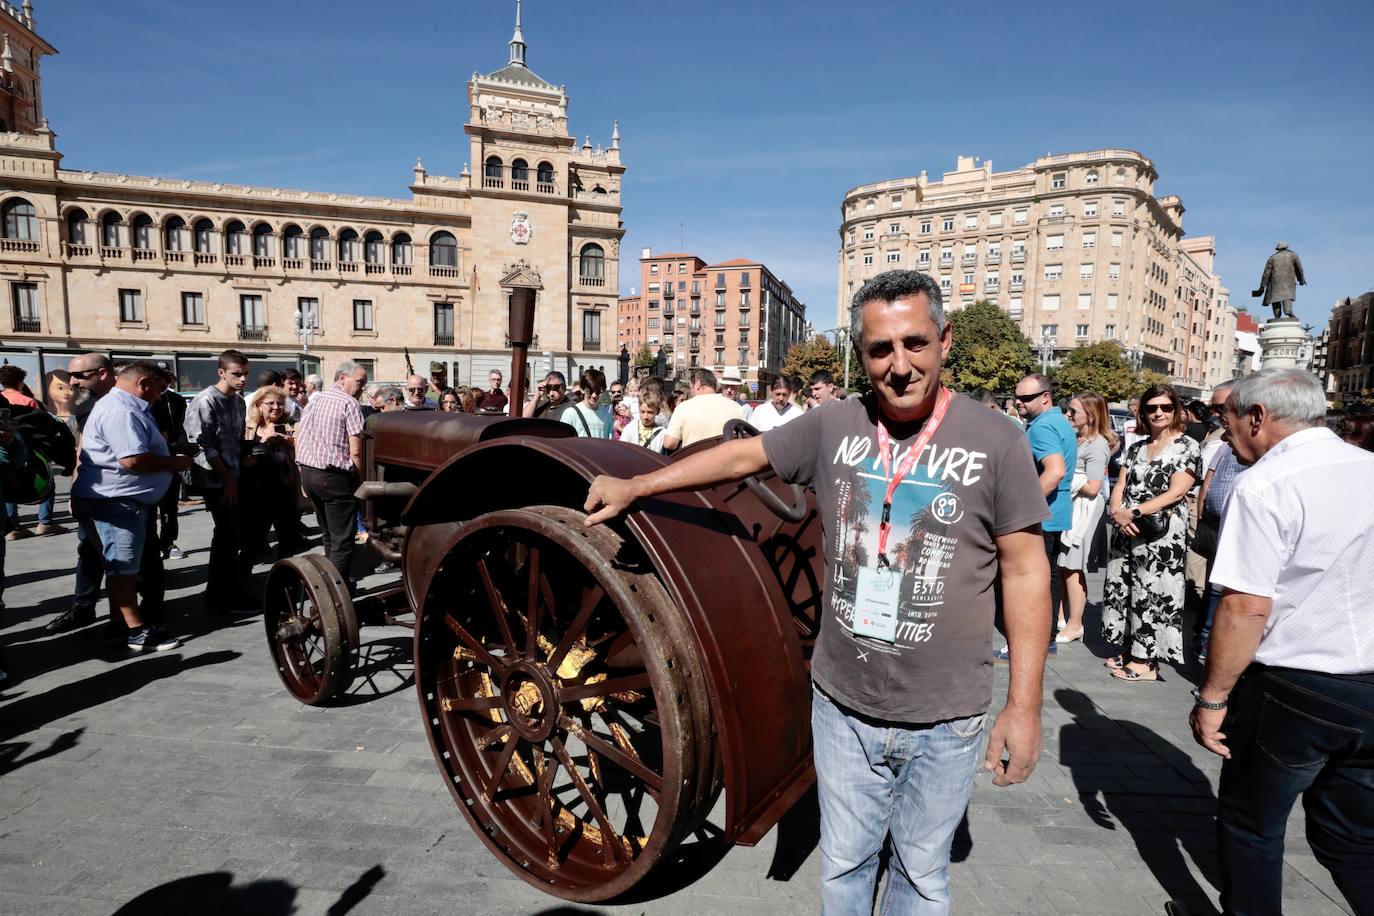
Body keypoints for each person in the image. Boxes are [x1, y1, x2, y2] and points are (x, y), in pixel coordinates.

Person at [584, 270, 1051, 912]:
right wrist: (638, 485)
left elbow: (1027, 573)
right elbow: (741, 459)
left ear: (943, 340)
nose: (901, 365)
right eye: (880, 349)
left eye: (915, 343)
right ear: (860, 355)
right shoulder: (833, 424)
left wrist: (1024, 708)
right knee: (843, 868)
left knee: (922, 877)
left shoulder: (997, 440)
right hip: (843, 709)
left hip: (948, 715)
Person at [1189, 368, 1373, 916]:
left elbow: (1245, 605)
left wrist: (1213, 697)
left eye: (1227, 423)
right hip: (1367, 688)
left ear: (1257, 416)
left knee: (1252, 827)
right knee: (1354, 838)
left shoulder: (1268, 482)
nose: (1225, 436)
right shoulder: (1369, 469)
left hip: (1296, 688)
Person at [70, 361, 188, 651]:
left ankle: (127, 624)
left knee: (124, 568)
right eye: (159, 390)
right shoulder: (121, 411)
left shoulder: (123, 406)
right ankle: (137, 631)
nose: (160, 397)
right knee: (122, 569)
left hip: (119, 502)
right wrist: (175, 462)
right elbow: (131, 460)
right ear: (144, 383)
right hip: (115, 503)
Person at [1103, 384, 1200, 680]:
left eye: (1166, 407)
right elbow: (1120, 484)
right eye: (1151, 408)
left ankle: (1147, 662)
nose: (1158, 413)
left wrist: (1133, 512)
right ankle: (1133, 646)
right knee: (1126, 586)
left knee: (1152, 591)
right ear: (1143, 411)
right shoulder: (1136, 447)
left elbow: (1177, 492)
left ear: (1176, 411)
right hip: (1127, 528)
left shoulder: (1187, 446)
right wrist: (1117, 513)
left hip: (1161, 534)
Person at [1002, 372, 1076, 655]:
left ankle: (1033, 641)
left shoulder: (1043, 426)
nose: (1019, 402)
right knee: (1048, 578)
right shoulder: (1058, 420)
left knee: (1032, 581)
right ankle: (1045, 638)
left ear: (1045, 397)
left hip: (1042, 515)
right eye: (1017, 396)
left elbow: (1055, 471)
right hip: (1054, 513)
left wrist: (1023, 506)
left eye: (1027, 398)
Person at [184, 350, 251, 614]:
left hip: (234, 475)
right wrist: (227, 480)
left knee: (233, 536)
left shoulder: (238, 401)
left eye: (246, 374)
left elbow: (235, 440)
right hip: (215, 479)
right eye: (237, 374)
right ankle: (220, 597)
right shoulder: (205, 401)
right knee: (227, 535)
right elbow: (204, 446)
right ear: (221, 372)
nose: (243, 379)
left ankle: (228, 592)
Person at [294, 361, 368, 587]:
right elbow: (356, 450)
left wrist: (302, 477)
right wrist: (362, 479)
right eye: (360, 382)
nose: (362, 388)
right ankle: (335, 591)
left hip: (310, 474)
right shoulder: (349, 403)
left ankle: (332, 581)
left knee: (328, 533)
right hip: (334, 478)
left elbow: (299, 437)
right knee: (343, 541)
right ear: (342, 378)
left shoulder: (314, 401)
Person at [1055, 392, 1115, 643]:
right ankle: (1059, 617)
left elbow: (1093, 486)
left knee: (1073, 568)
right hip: (1073, 506)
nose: (1068, 415)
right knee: (1062, 566)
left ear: (1090, 416)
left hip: (1085, 511)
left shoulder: (1098, 444)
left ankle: (1075, 623)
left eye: (1073, 412)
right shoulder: (1079, 439)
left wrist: (1068, 478)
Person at [240, 386, 303, 565]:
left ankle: (285, 581)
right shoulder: (248, 427)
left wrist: (289, 441)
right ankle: (241, 581)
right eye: (271, 403)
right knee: (253, 540)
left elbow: (304, 450)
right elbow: (243, 460)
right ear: (259, 405)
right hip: (257, 492)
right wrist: (261, 445)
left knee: (288, 539)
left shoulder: (291, 425)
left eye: (280, 404)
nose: (276, 407)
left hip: (285, 489)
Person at [0, 364, 64, 538]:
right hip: (32, 451)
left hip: (6, 453)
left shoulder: (1, 399)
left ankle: (13, 527)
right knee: (48, 483)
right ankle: (45, 522)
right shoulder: (28, 401)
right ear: (20, 382)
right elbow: (43, 425)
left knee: (7, 486)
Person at [662, 368, 744, 451]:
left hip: (693, 460)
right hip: (727, 461)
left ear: (697, 385)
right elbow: (744, 440)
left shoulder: (682, 408)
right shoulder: (737, 408)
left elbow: (669, 443)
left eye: (691, 387)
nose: (691, 392)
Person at [560, 368, 613, 438]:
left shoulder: (607, 415)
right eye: (589, 391)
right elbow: (563, 442)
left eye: (598, 391)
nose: (594, 395)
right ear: (582, 389)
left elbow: (608, 443)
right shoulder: (571, 413)